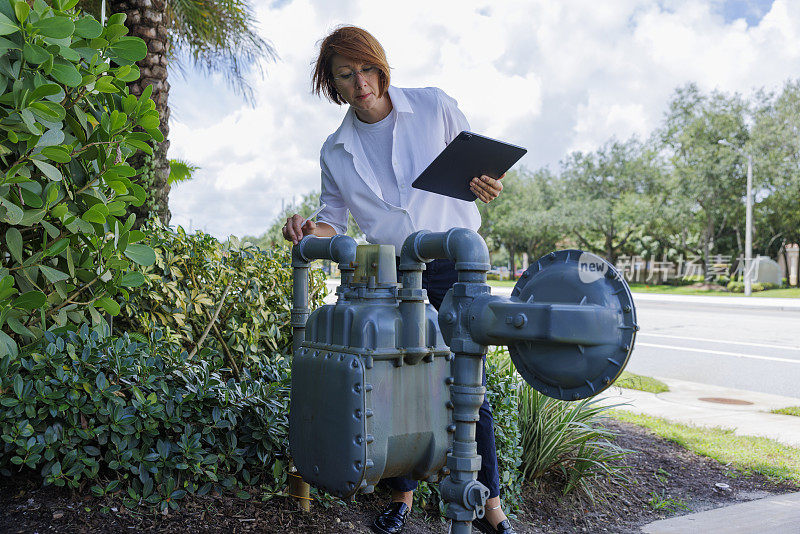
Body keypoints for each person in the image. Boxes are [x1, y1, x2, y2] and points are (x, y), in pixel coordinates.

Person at [282, 26, 514, 534]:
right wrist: (305, 229)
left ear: (381, 68)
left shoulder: (433, 106)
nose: (360, 82)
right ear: (333, 85)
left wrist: (486, 183)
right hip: (388, 278)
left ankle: (490, 507)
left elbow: (480, 168)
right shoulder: (335, 150)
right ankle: (403, 499)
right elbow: (332, 222)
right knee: (397, 383)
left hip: (456, 266)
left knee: (467, 386)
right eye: (346, 75)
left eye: (366, 69)